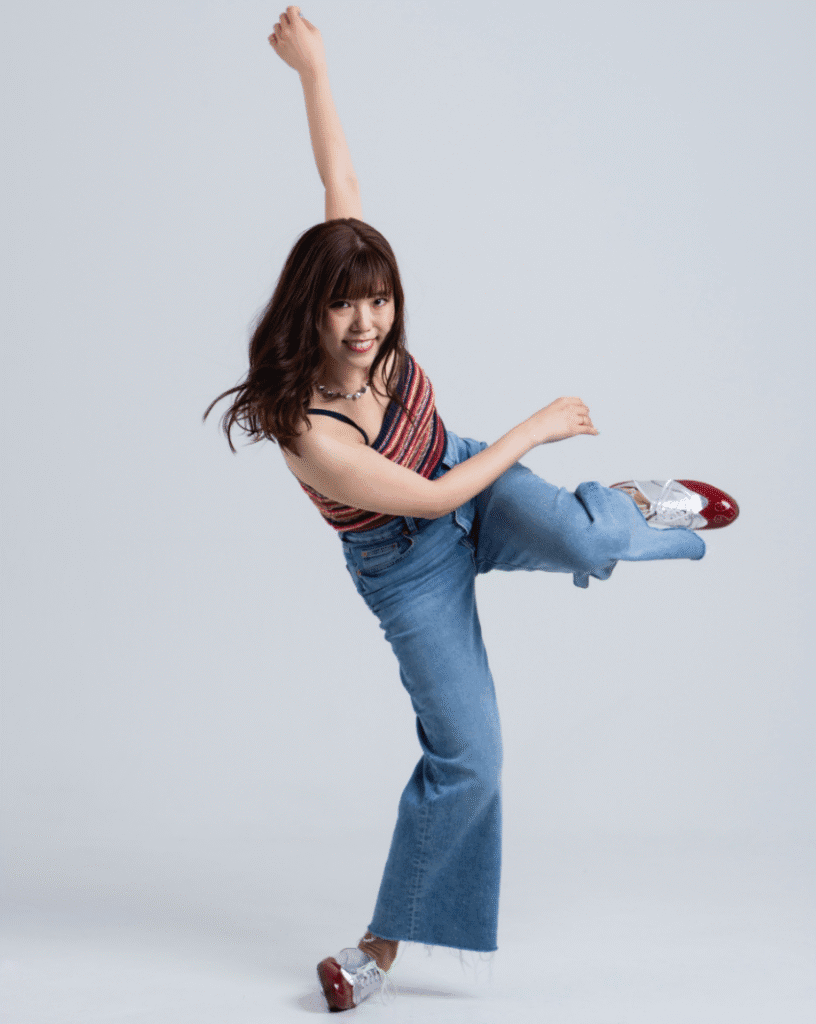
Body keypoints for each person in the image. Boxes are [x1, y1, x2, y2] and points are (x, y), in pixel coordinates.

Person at [204, 7, 740, 1012]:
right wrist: (535, 426)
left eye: (380, 298)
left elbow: (343, 182)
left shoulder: (365, 307)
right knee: (474, 761)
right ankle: (377, 949)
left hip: (462, 469)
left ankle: (638, 506)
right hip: (412, 563)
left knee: (584, 530)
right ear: (308, 308)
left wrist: (313, 68)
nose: (367, 323)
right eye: (343, 304)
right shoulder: (305, 428)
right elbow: (435, 499)